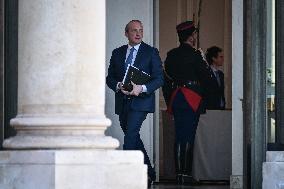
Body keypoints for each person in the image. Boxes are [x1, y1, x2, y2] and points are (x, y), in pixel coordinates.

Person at [106, 20, 164, 186]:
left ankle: (127, 174)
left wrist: (142, 88)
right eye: (134, 31)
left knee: (130, 135)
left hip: (141, 102)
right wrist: (118, 85)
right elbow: (109, 78)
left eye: (140, 30)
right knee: (133, 136)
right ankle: (150, 172)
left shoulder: (151, 52)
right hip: (122, 102)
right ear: (126, 33)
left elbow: (159, 78)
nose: (138, 34)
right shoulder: (117, 53)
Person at [163, 21, 212, 185]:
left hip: (177, 97)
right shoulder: (196, 55)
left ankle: (180, 175)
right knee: (189, 136)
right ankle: (186, 175)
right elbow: (207, 79)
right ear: (192, 36)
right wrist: (204, 60)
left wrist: (169, 99)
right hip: (192, 98)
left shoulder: (171, 55)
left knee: (179, 136)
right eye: (195, 34)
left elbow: (166, 79)